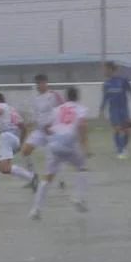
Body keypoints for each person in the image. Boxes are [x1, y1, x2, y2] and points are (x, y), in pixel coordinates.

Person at [31, 86, 91, 219]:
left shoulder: (57, 109)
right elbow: (82, 125)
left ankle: (36, 210)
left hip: (54, 144)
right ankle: (79, 198)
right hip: (69, 143)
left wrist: (52, 135)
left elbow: (45, 126)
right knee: (82, 168)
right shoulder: (81, 108)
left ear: (66, 97)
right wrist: (85, 146)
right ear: (78, 97)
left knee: (47, 178)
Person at [21, 74, 64, 177]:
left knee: (54, 157)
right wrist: (29, 124)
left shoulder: (53, 95)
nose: (38, 86)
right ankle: (32, 176)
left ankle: (61, 180)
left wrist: (54, 125)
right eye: (37, 84)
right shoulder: (35, 97)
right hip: (40, 131)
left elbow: (63, 110)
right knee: (25, 151)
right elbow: (36, 115)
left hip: (52, 132)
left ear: (45, 83)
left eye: (40, 83)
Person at [99, 61, 131, 158]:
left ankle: (124, 147)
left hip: (123, 110)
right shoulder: (106, 84)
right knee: (116, 129)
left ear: (111, 69)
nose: (103, 71)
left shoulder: (123, 80)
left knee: (126, 131)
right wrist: (101, 110)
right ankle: (120, 151)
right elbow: (105, 98)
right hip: (113, 110)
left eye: (105, 69)